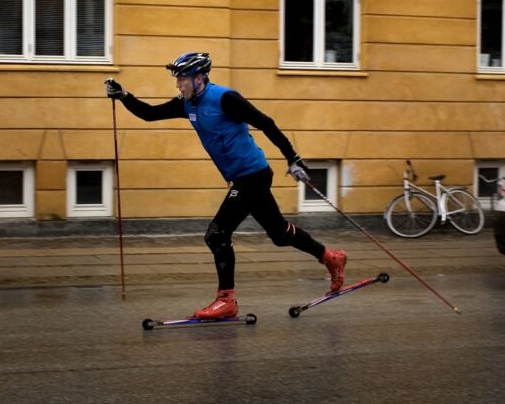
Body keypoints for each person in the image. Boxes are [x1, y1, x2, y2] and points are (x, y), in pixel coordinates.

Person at [105, 52, 347, 319]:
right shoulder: (186, 104)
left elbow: (266, 123)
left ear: (199, 78)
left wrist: (293, 158)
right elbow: (149, 114)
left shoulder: (225, 99)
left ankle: (226, 300)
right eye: (177, 80)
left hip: (252, 176)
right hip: (245, 177)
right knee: (279, 234)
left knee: (217, 234)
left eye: (182, 79)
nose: (178, 85)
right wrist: (124, 96)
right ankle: (331, 257)